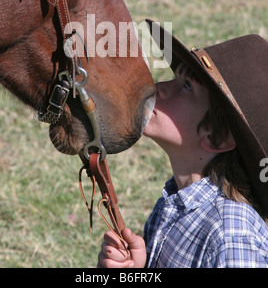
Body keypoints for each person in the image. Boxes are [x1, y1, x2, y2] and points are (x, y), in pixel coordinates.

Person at [97, 20, 268, 268]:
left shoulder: (231, 235)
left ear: (216, 138)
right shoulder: (175, 202)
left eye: (187, 86)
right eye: (176, 78)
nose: (159, 88)